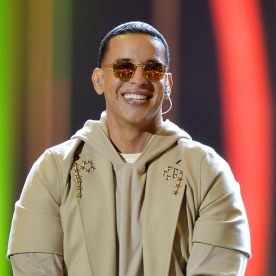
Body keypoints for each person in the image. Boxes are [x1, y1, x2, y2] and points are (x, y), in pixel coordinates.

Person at [7, 21, 251, 275]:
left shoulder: (207, 172)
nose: (139, 79)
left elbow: (219, 265)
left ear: (167, 84)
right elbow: (33, 264)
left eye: (153, 70)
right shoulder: (54, 169)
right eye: (124, 68)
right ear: (98, 79)